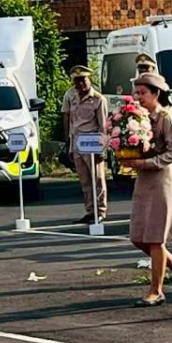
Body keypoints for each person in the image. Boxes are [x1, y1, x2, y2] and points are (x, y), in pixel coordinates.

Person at [122, 73, 172, 306]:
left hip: (161, 181)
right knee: (138, 236)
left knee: (155, 238)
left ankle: (156, 291)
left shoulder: (165, 117)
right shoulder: (136, 118)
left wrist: (146, 162)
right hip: (143, 180)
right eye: (136, 93)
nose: (138, 97)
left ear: (156, 93)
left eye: (143, 93)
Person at [63, 65, 109, 224]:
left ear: (89, 79)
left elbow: (103, 126)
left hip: (92, 143)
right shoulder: (71, 97)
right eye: (77, 81)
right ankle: (90, 211)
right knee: (85, 181)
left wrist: (102, 149)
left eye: (83, 80)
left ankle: (100, 211)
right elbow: (70, 121)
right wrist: (69, 144)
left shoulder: (98, 99)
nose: (80, 84)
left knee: (97, 178)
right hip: (77, 143)